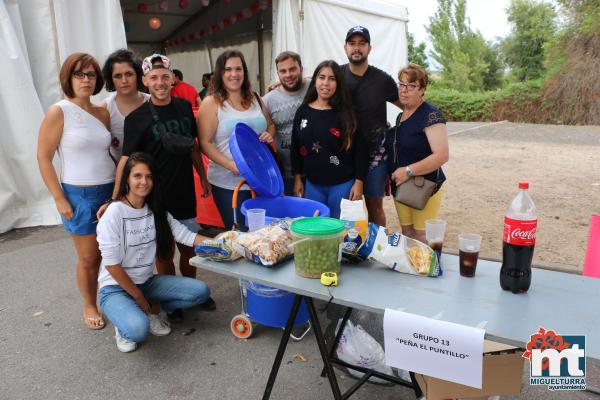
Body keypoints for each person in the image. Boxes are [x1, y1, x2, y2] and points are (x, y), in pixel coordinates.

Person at [105, 54, 212, 320]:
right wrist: (116, 196)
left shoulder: (185, 107)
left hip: (185, 190)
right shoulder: (136, 118)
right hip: (155, 196)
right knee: (164, 252)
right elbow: (127, 159)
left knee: (188, 249)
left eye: (165, 76)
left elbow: (193, 147)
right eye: (154, 78)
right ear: (145, 81)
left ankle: (190, 294)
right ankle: (173, 303)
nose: (160, 82)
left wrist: (203, 176)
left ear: (173, 78)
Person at [97, 152, 211, 353]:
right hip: (115, 288)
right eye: (137, 176)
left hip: (147, 282)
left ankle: (146, 311)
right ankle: (124, 323)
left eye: (149, 176)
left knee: (201, 291)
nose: (144, 182)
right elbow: (112, 266)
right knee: (138, 331)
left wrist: (225, 242)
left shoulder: (155, 210)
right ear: (127, 180)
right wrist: (139, 297)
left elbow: (187, 236)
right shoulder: (114, 213)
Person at [37, 53, 114, 330]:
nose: (85, 80)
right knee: (89, 257)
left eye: (91, 75)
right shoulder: (59, 111)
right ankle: (89, 303)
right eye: (79, 74)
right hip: (79, 194)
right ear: (68, 78)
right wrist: (59, 198)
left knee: (111, 253)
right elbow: (43, 157)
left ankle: (114, 298)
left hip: (109, 191)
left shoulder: (102, 112)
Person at [198, 50, 275, 229]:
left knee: (263, 233)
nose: (234, 74)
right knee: (239, 234)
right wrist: (231, 165)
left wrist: (269, 134)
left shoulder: (256, 98)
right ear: (220, 73)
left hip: (261, 180)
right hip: (229, 184)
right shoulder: (211, 103)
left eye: (238, 69)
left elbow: (270, 125)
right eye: (228, 69)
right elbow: (205, 143)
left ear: (244, 72)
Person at [290, 60, 367, 219]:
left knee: (341, 233)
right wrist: (297, 178)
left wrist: (359, 182)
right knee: (316, 233)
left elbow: (361, 150)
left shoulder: (347, 113)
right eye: (321, 77)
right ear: (315, 81)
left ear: (338, 83)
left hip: (343, 185)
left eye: (332, 79)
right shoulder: (303, 111)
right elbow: (295, 147)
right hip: (313, 185)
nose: (326, 83)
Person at [342, 26, 402, 226]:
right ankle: (348, 248)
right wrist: (279, 86)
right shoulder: (336, 75)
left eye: (361, 43)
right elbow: (313, 85)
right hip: (344, 151)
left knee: (374, 205)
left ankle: (378, 247)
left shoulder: (382, 80)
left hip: (376, 154)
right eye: (352, 44)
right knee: (344, 202)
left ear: (369, 48)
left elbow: (406, 105)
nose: (356, 48)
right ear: (345, 48)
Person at [387, 63, 449, 243]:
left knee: (422, 237)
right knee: (407, 234)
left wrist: (408, 170)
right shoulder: (402, 115)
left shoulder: (431, 115)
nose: (404, 90)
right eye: (401, 84)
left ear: (422, 89)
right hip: (401, 185)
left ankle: (426, 270)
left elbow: (442, 155)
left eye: (411, 86)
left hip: (424, 185)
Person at [263, 51, 309, 195]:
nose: (288, 74)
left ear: (301, 69)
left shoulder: (315, 87)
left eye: (292, 69)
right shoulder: (268, 101)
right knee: (290, 216)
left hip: (316, 171)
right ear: (278, 73)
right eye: (283, 71)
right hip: (285, 173)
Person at [100, 49, 150, 162]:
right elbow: (102, 150)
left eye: (129, 74)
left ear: (138, 75)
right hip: (117, 173)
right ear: (110, 79)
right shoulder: (105, 108)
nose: (124, 80)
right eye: (118, 76)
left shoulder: (152, 102)